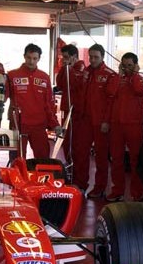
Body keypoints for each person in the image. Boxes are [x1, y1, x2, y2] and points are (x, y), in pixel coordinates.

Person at [6, 43, 62, 160]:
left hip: (39, 125)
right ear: (24, 56)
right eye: (29, 58)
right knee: (17, 161)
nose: (31, 61)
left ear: (39, 58)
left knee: (43, 160)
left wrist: (55, 124)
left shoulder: (44, 77)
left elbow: (49, 105)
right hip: (18, 125)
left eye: (34, 58)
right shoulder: (11, 75)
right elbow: (1, 98)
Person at [107, 52, 143, 201]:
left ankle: (136, 193)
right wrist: (119, 75)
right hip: (117, 125)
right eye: (124, 66)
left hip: (134, 125)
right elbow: (110, 92)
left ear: (136, 65)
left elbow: (140, 90)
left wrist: (135, 74)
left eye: (130, 66)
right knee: (116, 159)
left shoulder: (142, 81)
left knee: (135, 160)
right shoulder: (117, 79)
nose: (127, 69)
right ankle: (117, 191)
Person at [82, 44, 117, 199]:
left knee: (100, 157)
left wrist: (106, 121)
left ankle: (99, 188)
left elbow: (112, 101)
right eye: (91, 56)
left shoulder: (110, 75)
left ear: (103, 57)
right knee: (81, 154)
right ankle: (81, 184)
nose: (93, 59)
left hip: (101, 122)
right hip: (86, 121)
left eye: (96, 57)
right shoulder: (86, 72)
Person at [57, 44, 90, 189]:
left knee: (78, 149)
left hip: (78, 114)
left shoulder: (81, 68)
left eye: (65, 57)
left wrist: (68, 68)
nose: (63, 60)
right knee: (67, 145)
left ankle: (80, 182)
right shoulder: (66, 69)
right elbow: (60, 85)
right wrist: (64, 68)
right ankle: (70, 175)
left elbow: (75, 84)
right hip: (67, 112)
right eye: (62, 57)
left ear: (74, 57)